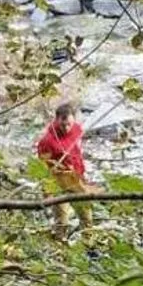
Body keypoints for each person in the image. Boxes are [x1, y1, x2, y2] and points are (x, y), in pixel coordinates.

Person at [36, 101, 96, 236]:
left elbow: (77, 150)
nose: (66, 128)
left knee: (86, 214)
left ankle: (90, 245)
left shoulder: (77, 129)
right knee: (62, 220)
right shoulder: (48, 141)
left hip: (76, 178)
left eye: (69, 124)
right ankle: (60, 246)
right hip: (59, 180)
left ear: (74, 120)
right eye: (63, 125)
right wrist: (47, 191)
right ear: (57, 120)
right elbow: (43, 167)